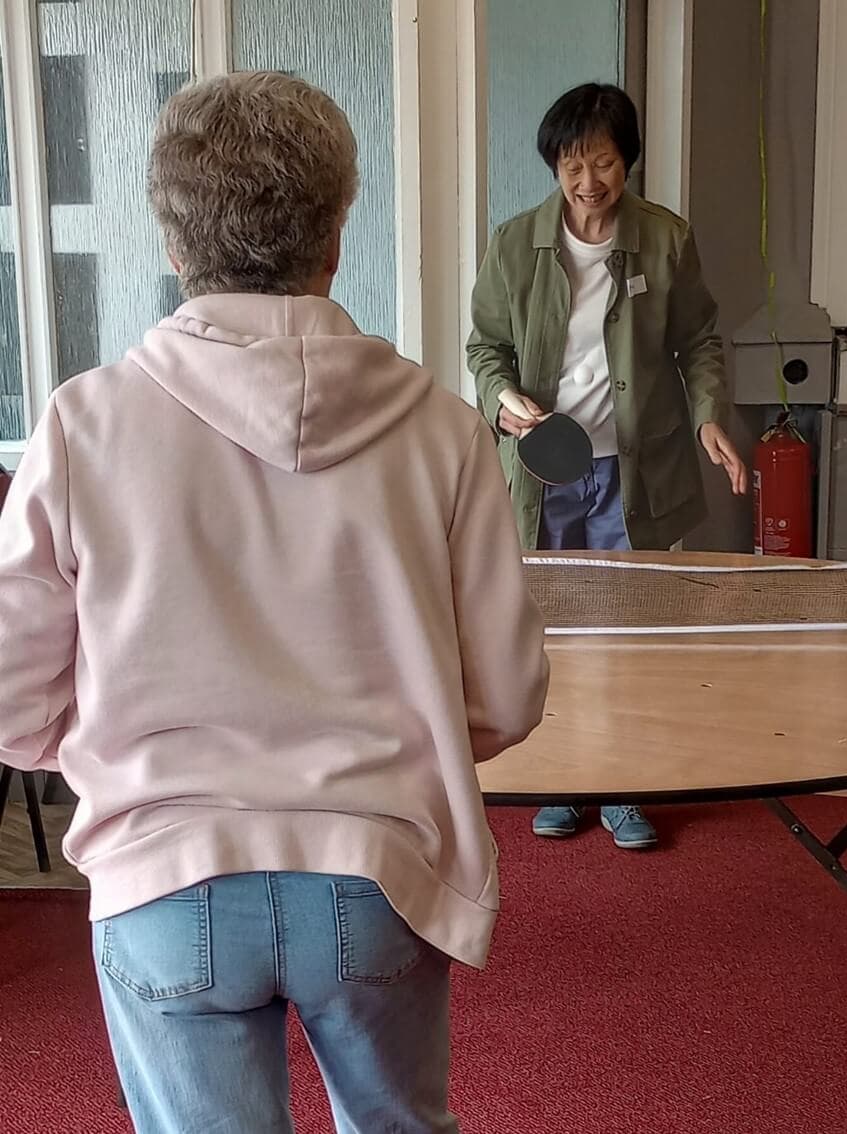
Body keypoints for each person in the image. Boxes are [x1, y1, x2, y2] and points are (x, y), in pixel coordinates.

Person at [0, 72, 549, 1134]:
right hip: (378, 868)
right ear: (336, 235)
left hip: (164, 869)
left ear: (173, 245)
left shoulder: (81, 427)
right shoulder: (441, 431)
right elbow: (510, 694)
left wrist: (105, 738)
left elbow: (13, 702)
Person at [467, 82, 747, 851]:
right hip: (543, 473)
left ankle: (625, 786)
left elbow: (702, 341)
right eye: (572, 165)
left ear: (628, 162)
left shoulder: (665, 240)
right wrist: (501, 398)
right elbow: (484, 348)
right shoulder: (512, 244)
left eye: (604, 163)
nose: (589, 182)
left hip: (636, 471)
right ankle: (561, 779)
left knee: (631, 631)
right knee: (548, 631)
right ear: (554, 166)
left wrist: (709, 417)